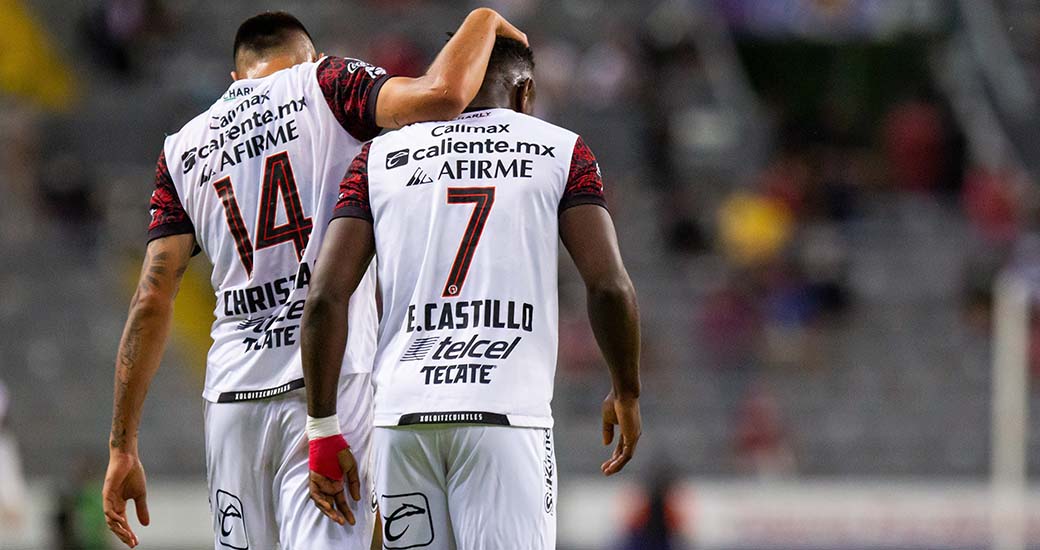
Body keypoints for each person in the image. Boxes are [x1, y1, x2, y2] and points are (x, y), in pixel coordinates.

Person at [101, 9, 527, 550]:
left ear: (237, 79)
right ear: (311, 55)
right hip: (325, 389)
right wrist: (482, 21)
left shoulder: (182, 148)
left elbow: (151, 298)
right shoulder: (325, 84)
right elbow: (443, 96)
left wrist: (122, 447)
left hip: (232, 400)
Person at [301, 37, 642, 549]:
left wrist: (323, 425)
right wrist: (626, 390)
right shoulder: (561, 149)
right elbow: (609, 286)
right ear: (525, 91)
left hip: (401, 418)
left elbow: (326, 296)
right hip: (504, 413)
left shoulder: (378, 158)